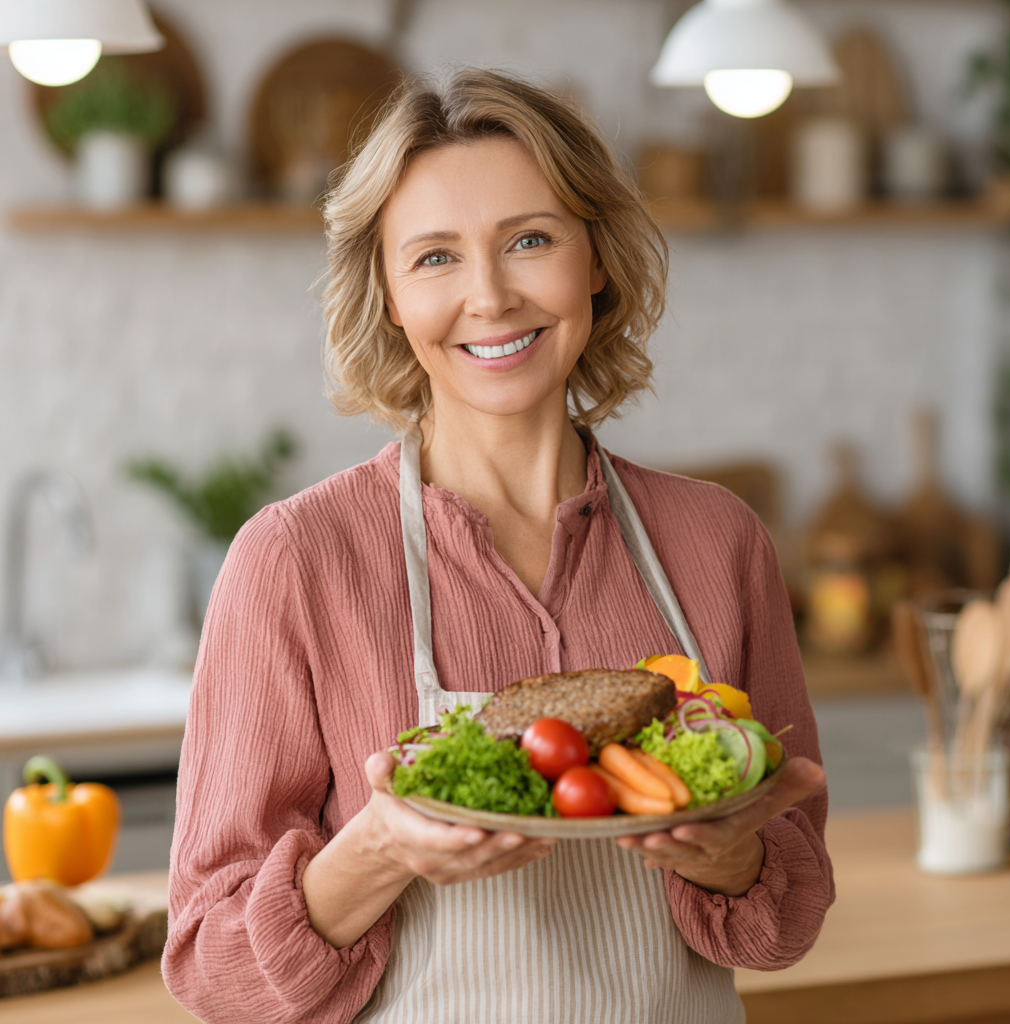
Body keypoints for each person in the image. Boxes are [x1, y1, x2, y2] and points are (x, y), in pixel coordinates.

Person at [163, 68, 833, 1024]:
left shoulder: (717, 541)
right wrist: (380, 850)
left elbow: (789, 922)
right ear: (390, 295)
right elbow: (210, 971)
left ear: (594, 259)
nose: (490, 296)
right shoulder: (295, 563)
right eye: (435, 258)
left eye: (529, 240)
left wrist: (741, 856)